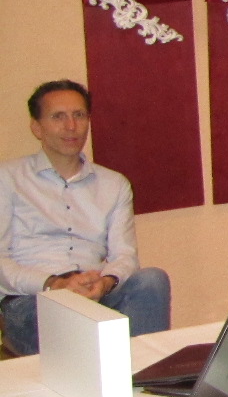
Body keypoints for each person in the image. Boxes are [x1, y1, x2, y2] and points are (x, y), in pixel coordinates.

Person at [0, 80, 171, 356]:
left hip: (96, 293)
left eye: (79, 115)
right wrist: (54, 284)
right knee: (85, 338)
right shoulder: (7, 178)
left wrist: (106, 282)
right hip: (34, 299)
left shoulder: (114, 184)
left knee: (152, 280)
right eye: (58, 117)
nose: (71, 126)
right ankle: (116, 368)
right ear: (37, 127)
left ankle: (145, 372)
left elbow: (125, 256)